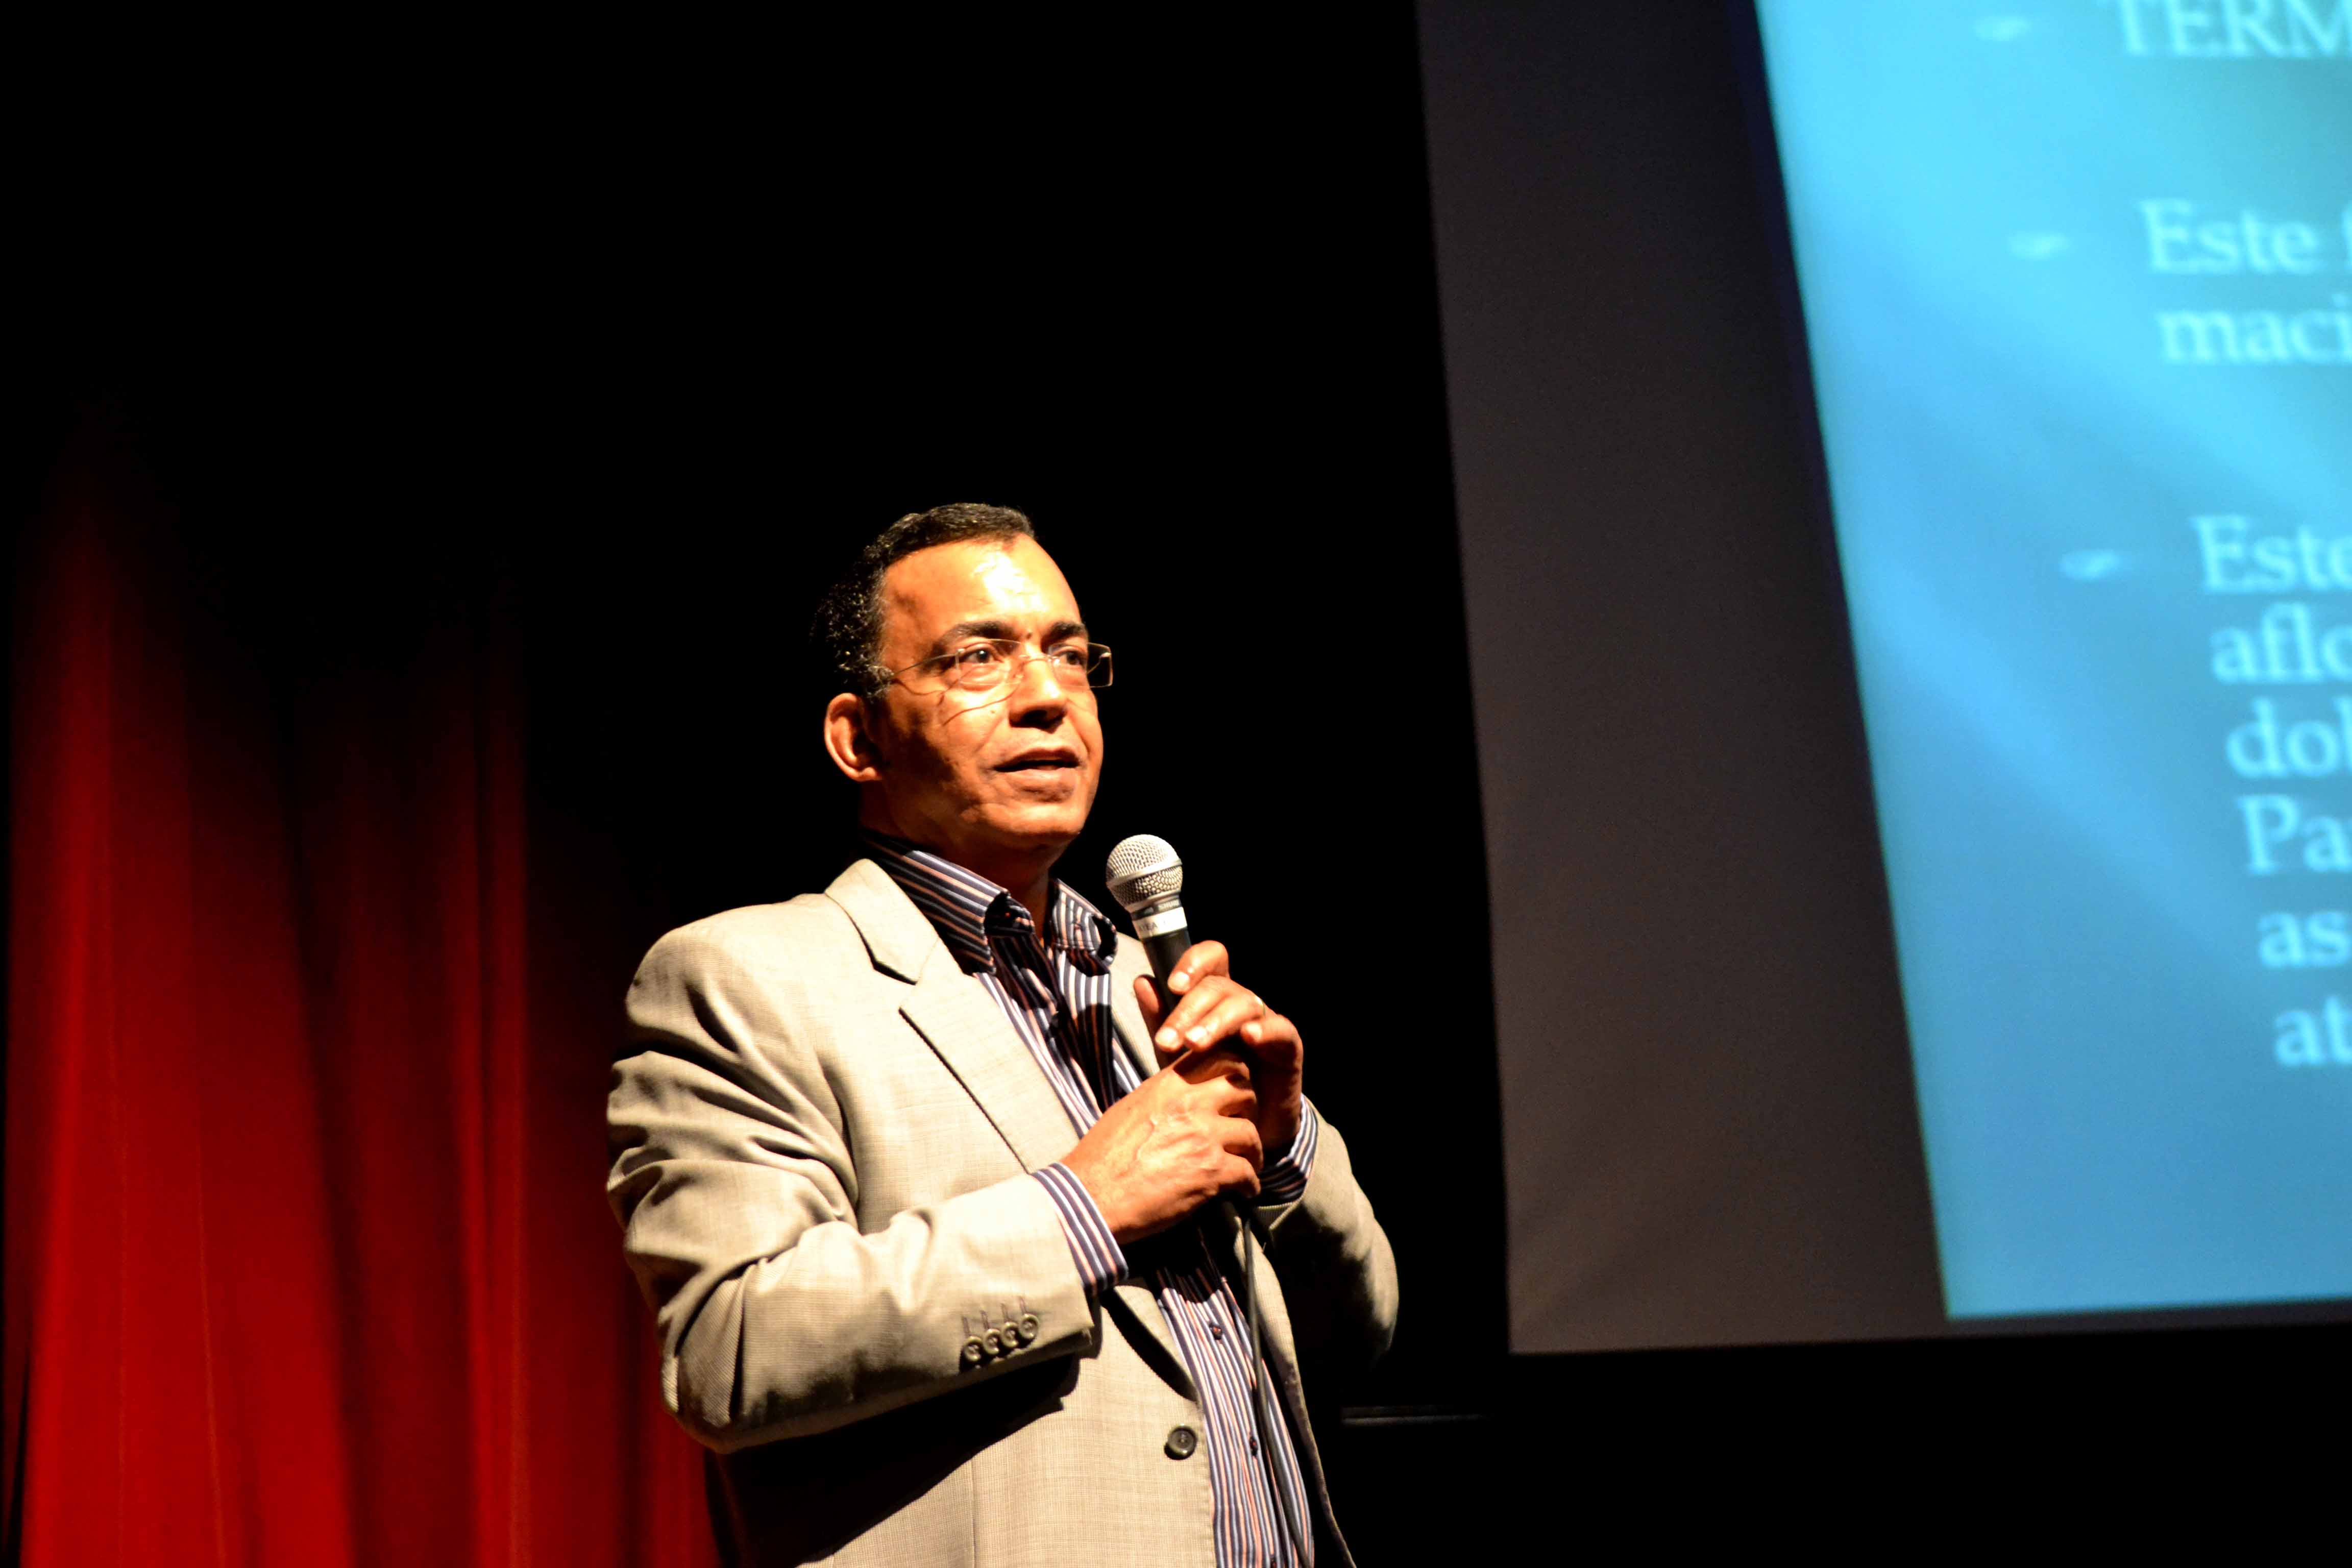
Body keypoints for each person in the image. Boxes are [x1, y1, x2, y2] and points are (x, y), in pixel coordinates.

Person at [606, 504, 1398, 1566]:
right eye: (978, 657)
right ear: (859, 737)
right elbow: (731, 1350)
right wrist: (1082, 1209)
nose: (1044, 699)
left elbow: (1361, 1333)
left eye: (1071, 658)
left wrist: (1284, 1141)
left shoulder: (1144, 984)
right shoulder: (747, 976)